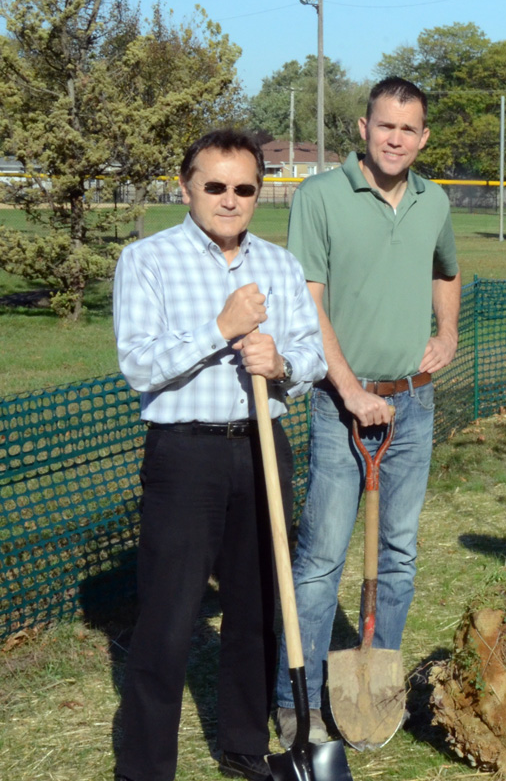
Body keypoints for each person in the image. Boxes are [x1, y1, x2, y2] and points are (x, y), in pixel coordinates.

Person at [112, 130, 326, 781]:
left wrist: (282, 363)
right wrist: (222, 330)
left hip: (263, 447)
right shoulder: (148, 259)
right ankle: (146, 767)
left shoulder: (280, 265)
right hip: (185, 455)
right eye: (215, 186)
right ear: (186, 188)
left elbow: (312, 357)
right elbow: (138, 364)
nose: (229, 200)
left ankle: (241, 744)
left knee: (260, 605)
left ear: (258, 193)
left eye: (244, 188)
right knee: (169, 619)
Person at [275, 76, 460, 746]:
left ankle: (375, 686)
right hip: (339, 407)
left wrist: (448, 333)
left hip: (414, 401)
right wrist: (350, 389)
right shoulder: (321, 197)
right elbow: (308, 300)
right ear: (363, 127)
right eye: (386, 125)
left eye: (408, 129)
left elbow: (446, 270)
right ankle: (296, 696)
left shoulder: (434, 200)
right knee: (322, 557)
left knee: (400, 553)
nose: (395, 138)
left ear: (423, 137)